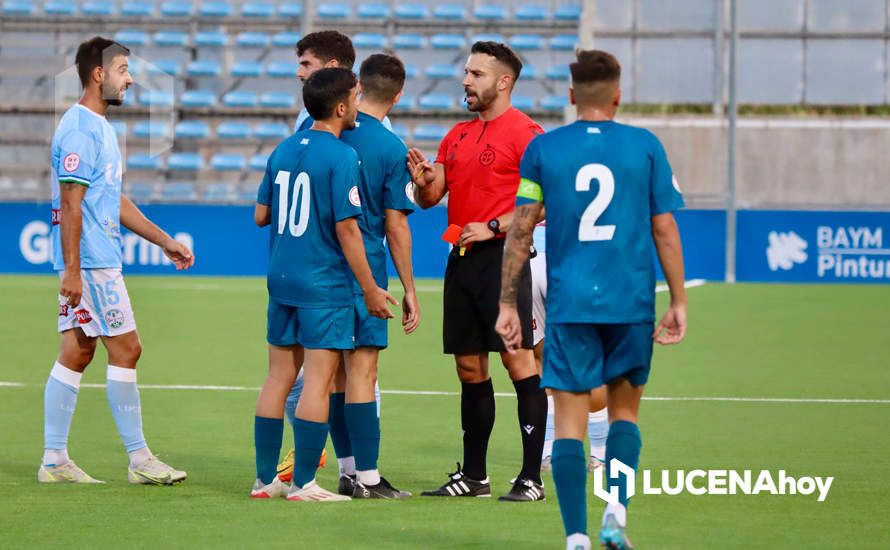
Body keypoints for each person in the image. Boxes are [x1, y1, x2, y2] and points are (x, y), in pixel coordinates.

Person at [495, 50, 687, 550]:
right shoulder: (645, 147)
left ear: (572, 94)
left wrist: (508, 305)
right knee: (624, 417)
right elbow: (664, 227)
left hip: (570, 303)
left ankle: (576, 537)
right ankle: (616, 514)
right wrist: (679, 300)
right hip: (629, 303)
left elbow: (520, 232)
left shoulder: (546, 150)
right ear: (618, 95)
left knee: (571, 424)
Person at [41, 36, 195, 485]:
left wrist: (163, 239)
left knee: (77, 350)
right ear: (98, 74)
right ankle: (140, 459)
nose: (129, 79)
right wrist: (72, 270)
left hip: (92, 258)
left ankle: (54, 459)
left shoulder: (100, 127)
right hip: (91, 262)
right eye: (123, 69)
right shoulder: (78, 129)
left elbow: (113, 199)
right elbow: (72, 202)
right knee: (127, 348)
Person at [407, 41, 548, 501]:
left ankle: (530, 478)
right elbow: (432, 200)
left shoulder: (527, 134)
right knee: (469, 367)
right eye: (466, 73)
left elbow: (543, 201)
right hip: (461, 260)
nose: (466, 81)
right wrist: (424, 180)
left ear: (504, 81)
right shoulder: (457, 136)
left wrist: (492, 226)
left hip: (505, 261)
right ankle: (474, 476)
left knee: (518, 361)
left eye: (476, 74)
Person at [251, 67, 397, 502]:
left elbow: (261, 215)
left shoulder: (283, 148)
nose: (359, 105)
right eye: (355, 98)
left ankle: (264, 481)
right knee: (318, 380)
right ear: (340, 106)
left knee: (278, 377)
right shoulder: (340, 156)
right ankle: (304, 485)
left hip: (281, 277)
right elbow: (349, 230)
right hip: (323, 284)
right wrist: (370, 288)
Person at [337, 53, 419, 499]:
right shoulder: (391, 148)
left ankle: (346, 470)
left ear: (357, 87)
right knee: (363, 371)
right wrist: (409, 288)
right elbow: (397, 224)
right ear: (399, 95)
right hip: (365, 270)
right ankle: (367, 477)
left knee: (330, 375)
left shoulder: (324, 133)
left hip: (322, 271)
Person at [531, 223, 609, 473]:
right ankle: (553, 450)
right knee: (544, 356)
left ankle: (595, 451)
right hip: (539, 256)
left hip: (560, 256)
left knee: (575, 359)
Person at [292, 31, 392, 133]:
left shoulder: (378, 123)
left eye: (306, 64)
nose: (299, 73)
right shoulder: (306, 114)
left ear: (331, 67)